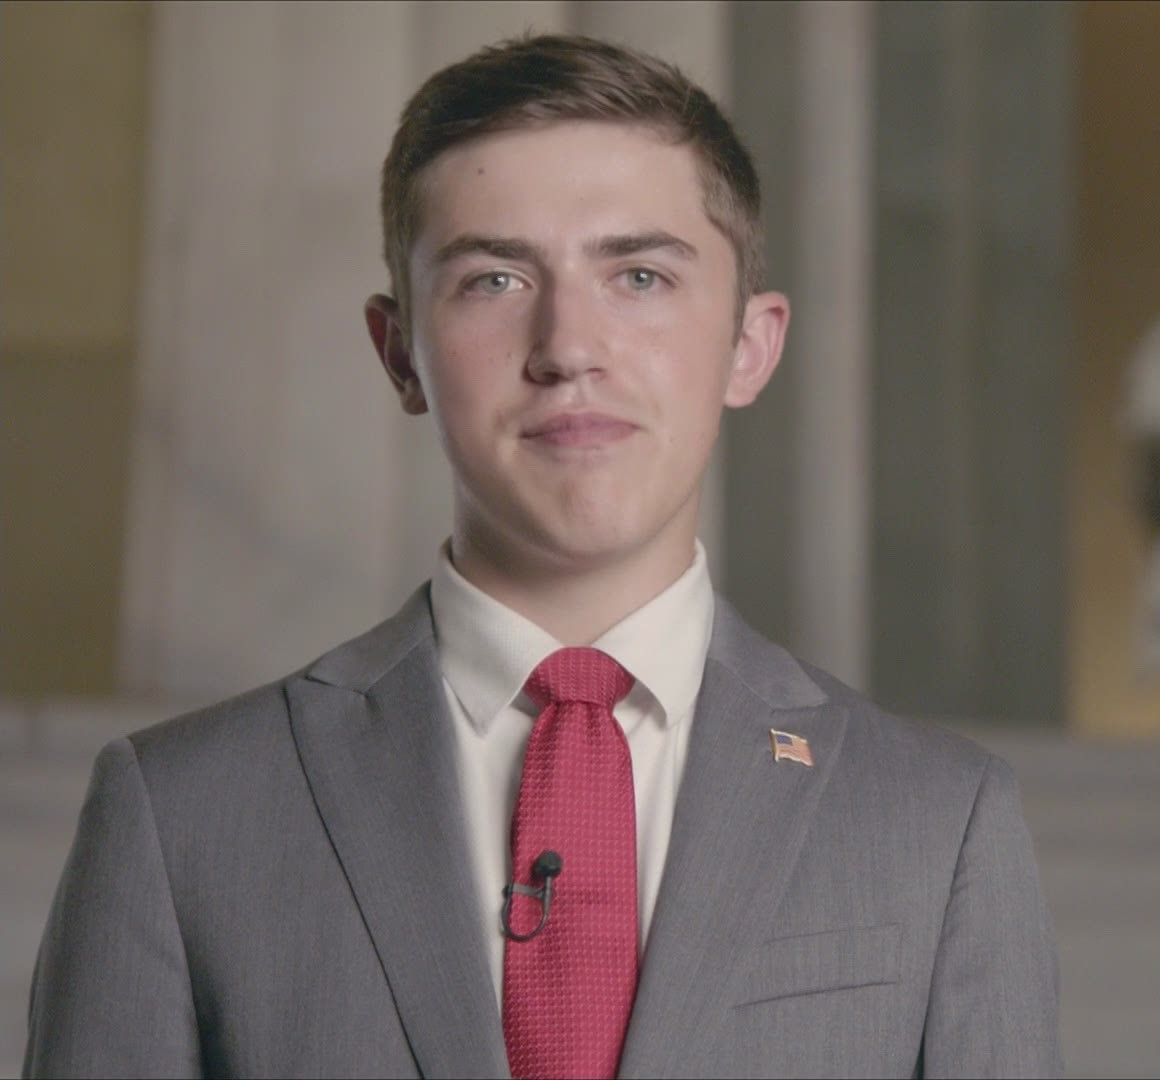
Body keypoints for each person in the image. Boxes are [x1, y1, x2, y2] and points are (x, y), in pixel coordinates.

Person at [25, 34, 1060, 1079]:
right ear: (399, 353)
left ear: (750, 345)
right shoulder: (179, 814)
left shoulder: (937, 821)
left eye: (642, 275)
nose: (570, 345)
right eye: (495, 279)